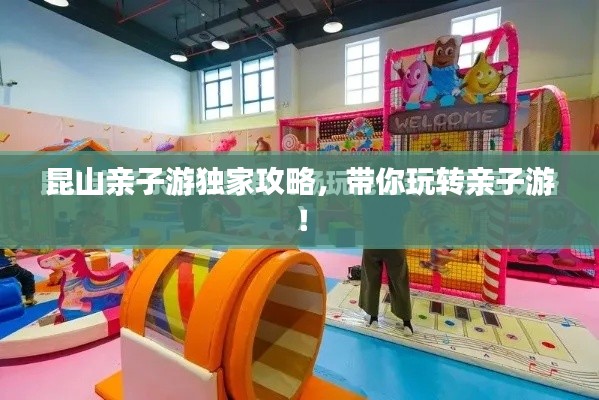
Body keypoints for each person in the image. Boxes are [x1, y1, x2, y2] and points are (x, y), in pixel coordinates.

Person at [358, 157, 413, 336]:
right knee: (399, 279)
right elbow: (406, 212)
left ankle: (373, 318)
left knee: (371, 278)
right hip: (394, 240)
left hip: (372, 239)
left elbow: (361, 207)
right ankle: (406, 322)